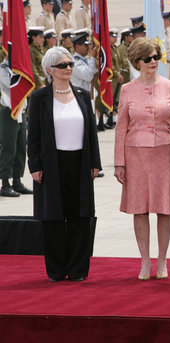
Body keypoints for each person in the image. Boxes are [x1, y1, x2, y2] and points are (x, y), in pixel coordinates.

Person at [27, 46, 102, 282]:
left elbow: (91, 132)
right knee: (54, 217)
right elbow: (34, 136)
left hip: (80, 162)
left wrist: (95, 163)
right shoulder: (39, 98)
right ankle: (57, 270)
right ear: (50, 70)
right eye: (62, 65)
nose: (68, 68)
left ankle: (78, 269)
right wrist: (35, 165)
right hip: (51, 164)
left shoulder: (81, 94)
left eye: (70, 64)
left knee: (80, 216)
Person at [114, 38, 170, 281]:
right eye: (148, 59)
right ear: (136, 62)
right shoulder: (127, 90)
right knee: (139, 209)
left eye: (156, 57)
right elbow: (121, 128)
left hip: (164, 153)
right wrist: (119, 162)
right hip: (136, 155)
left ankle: (162, 260)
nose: (153, 62)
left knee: (164, 209)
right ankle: (145, 261)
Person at [0, 60, 32, 197]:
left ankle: (17, 181)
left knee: (20, 147)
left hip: (21, 110)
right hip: (9, 110)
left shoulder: (21, 65)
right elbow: (11, 84)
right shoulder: (3, 68)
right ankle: (5, 184)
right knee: (9, 147)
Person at [163, 11, 170, 80]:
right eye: (169, 20)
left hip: (168, 62)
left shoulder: (167, 32)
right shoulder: (160, 33)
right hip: (163, 63)